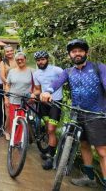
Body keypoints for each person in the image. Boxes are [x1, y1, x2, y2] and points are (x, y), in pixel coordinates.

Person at [41, 39, 106, 187]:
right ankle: (89, 177)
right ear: (70, 55)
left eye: (80, 51)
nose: (77, 54)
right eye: (74, 51)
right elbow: (56, 83)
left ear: (86, 53)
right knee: (84, 144)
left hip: (96, 114)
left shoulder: (99, 67)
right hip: (76, 114)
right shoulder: (68, 72)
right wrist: (47, 91)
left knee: (102, 151)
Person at [31, 50, 63, 170]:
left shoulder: (57, 70)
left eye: (43, 59)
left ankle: (50, 156)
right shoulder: (36, 73)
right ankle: (51, 148)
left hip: (56, 103)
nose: (40, 62)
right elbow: (38, 89)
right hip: (44, 103)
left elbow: (66, 81)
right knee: (49, 130)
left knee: (50, 129)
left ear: (47, 59)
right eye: (38, 60)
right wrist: (34, 94)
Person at [4, 52, 35, 141]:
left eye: (21, 59)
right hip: (13, 100)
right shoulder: (12, 71)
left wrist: (33, 95)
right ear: (15, 61)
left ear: (25, 60)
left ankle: (21, 140)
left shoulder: (32, 71)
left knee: (24, 121)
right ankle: (14, 139)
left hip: (27, 101)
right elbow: (8, 85)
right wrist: (6, 98)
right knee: (13, 120)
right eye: (18, 60)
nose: (20, 61)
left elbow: (36, 85)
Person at [0, 45, 17, 140]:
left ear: (13, 51)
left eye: (11, 51)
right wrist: (9, 82)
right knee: (8, 112)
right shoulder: (3, 63)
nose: (9, 53)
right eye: (7, 51)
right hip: (8, 88)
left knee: (18, 111)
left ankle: (16, 131)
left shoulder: (18, 60)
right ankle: (7, 131)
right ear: (5, 53)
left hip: (19, 89)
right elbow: (2, 77)